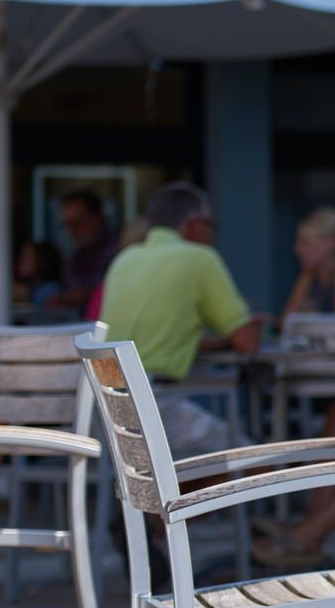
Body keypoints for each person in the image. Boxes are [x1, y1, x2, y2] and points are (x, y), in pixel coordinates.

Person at [99, 183, 263, 459]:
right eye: (212, 225)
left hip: (110, 408)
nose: (213, 234)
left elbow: (149, 339)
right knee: (257, 460)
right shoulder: (200, 259)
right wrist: (252, 325)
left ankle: (179, 501)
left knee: (199, 463)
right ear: (194, 224)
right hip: (156, 407)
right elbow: (248, 342)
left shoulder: (125, 259)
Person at [281, 206, 335, 320]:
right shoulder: (309, 274)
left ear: (330, 244)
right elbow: (286, 323)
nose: (297, 249)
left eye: (305, 243)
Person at [53, 190, 117, 312]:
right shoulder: (77, 255)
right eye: (67, 224)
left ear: (98, 218)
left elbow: (120, 290)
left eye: (78, 223)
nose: (72, 231)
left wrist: (87, 294)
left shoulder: (117, 248)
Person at [14, 238, 64, 310]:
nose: (21, 261)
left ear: (42, 262)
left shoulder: (50, 291)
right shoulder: (31, 288)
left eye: (26, 258)